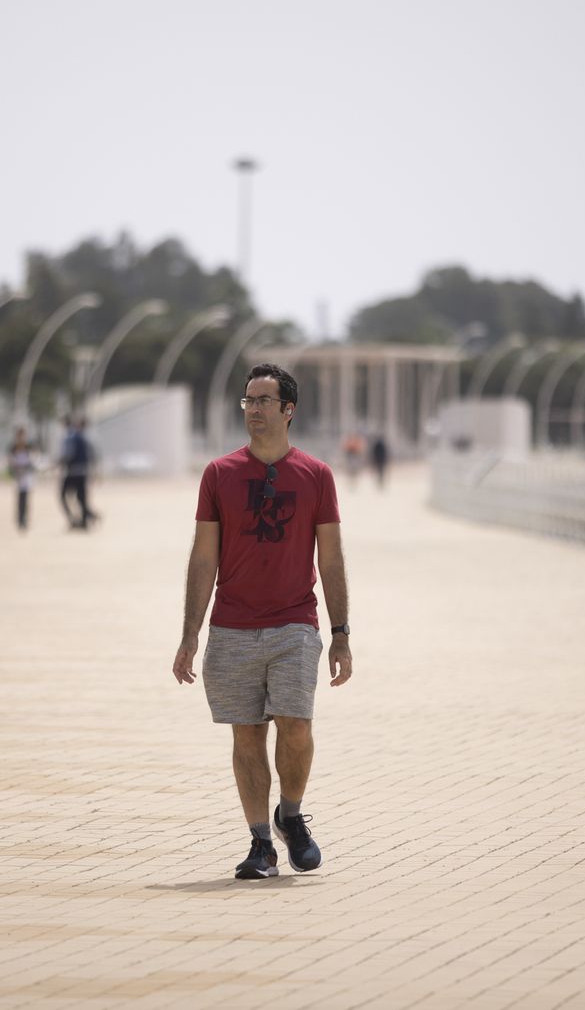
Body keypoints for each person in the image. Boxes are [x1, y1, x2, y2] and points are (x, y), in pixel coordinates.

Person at [172, 362, 353, 881]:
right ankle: (260, 845)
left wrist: (340, 635)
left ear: (288, 410)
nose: (253, 410)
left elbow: (332, 559)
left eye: (264, 401)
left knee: (295, 726)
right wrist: (191, 632)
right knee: (246, 737)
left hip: (296, 624)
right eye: (248, 401)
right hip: (231, 627)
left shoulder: (316, 475)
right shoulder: (219, 474)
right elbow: (204, 557)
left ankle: (290, 816)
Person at [58, 416, 99, 530]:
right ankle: (86, 518)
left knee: (63, 496)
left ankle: (77, 520)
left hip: (73, 472)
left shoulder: (72, 437)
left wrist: (59, 463)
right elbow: (93, 456)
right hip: (83, 471)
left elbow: (68, 454)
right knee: (81, 498)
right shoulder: (86, 437)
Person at [8, 426, 35, 532]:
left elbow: (32, 461)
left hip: (27, 476)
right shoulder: (13, 448)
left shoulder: (28, 447)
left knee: (26, 498)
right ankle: (19, 519)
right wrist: (16, 470)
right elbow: (10, 461)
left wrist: (25, 469)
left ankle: (25, 519)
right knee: (19, 499)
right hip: (18, 476)